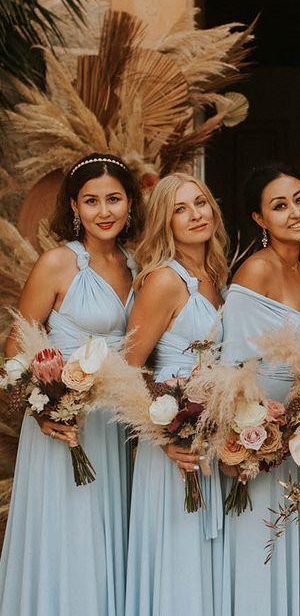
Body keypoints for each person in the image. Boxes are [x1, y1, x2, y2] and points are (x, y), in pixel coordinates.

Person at [0, 153, 143, 616]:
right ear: (75, 207)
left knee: (112, 536)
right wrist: (43, 407)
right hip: (65, 428)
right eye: (92, 201)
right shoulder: (59, 263)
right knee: (69, 537)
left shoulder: (139, 266)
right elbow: (15, 345)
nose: (104, 211)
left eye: (114, 199)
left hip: (119, 425)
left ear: (130, 204)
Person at [124, 173, 228, 616]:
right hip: (172, 438)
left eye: (200, 203)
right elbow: (129, 369)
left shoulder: (218, 275)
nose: (194, 215)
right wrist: (164, 434)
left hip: (212, 431)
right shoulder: (165, 281)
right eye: (179, 210)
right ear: (165, 223)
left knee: (202, 559)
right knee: (176, 552)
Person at [218, 164, 300, 615]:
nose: (295, 212)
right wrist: (253, 431)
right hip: (261, 435)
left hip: (299, 434)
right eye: (280, 206)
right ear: (260, 220)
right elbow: (234, 363)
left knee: (288, 544)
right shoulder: (256, 270)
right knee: (259, 544)